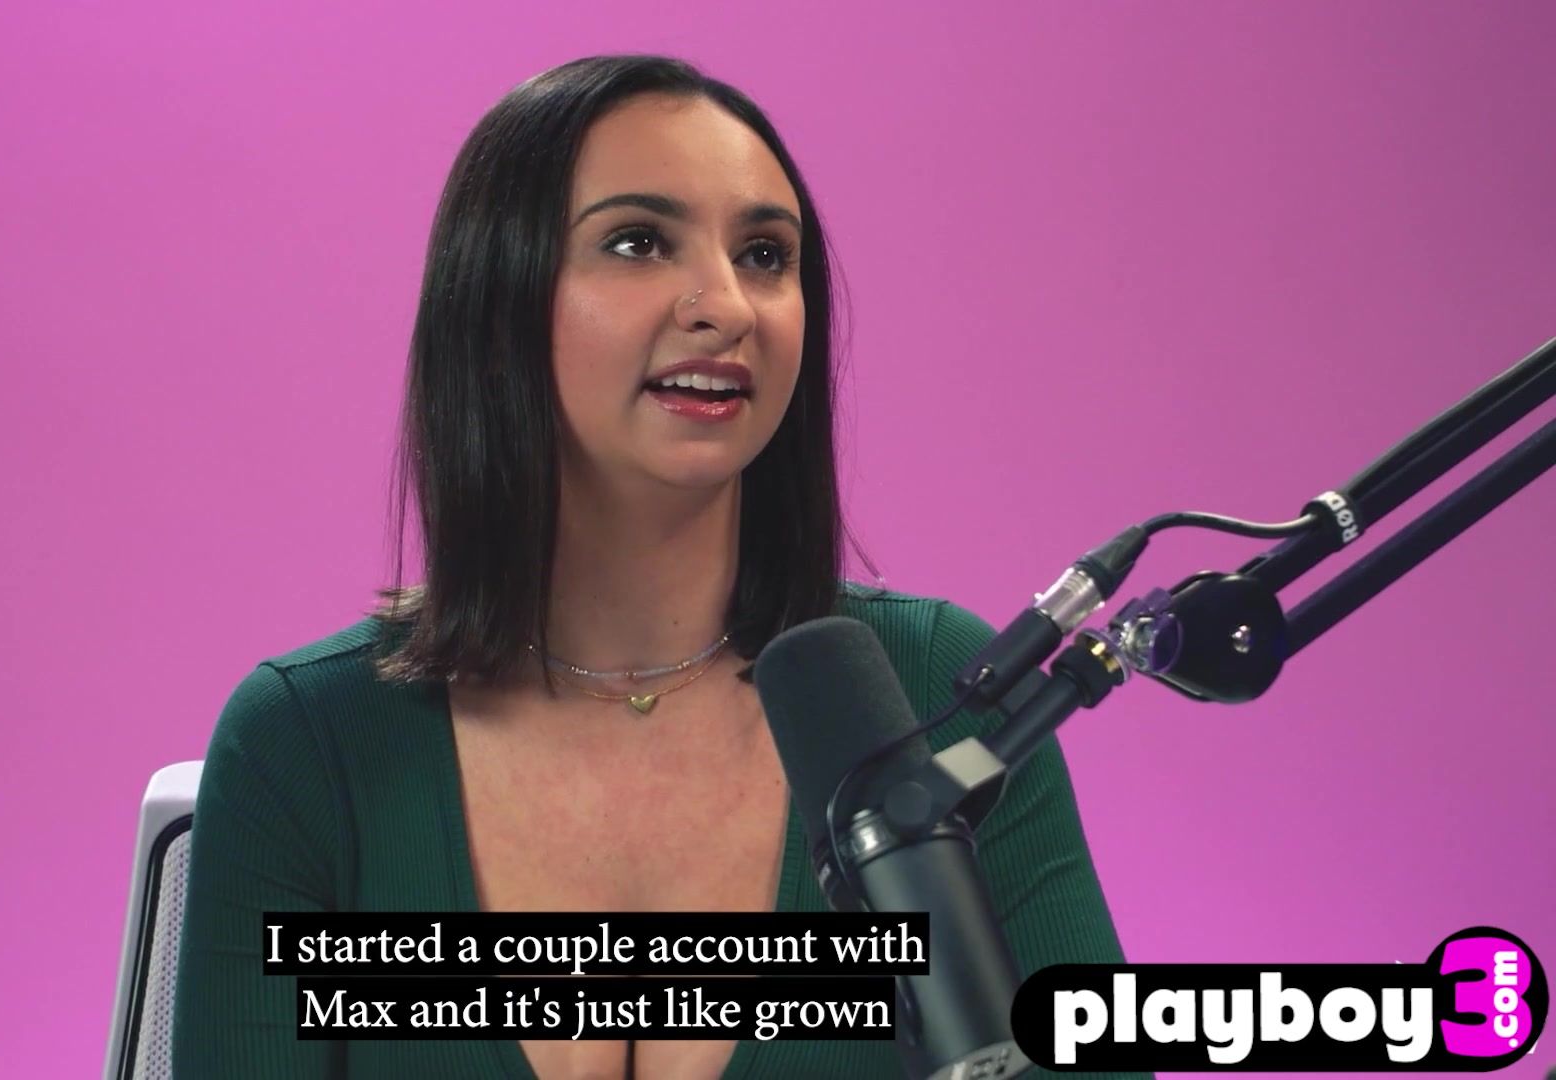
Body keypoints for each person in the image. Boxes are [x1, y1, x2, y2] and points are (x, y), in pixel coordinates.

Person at [172, 54, 1133, 1080]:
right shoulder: (304, 742)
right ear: (497, 299)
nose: (728, 306)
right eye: (638, 242)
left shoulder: (945, 693)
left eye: (765, 255)